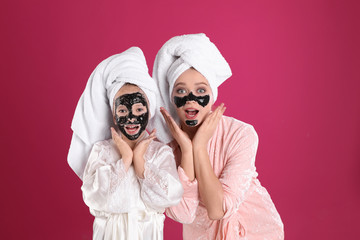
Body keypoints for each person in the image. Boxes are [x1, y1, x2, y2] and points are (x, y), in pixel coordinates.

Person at [147, 34, 284, 239]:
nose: (191, 100)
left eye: (200, 90)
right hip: (201, 234)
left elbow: (218, 209)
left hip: (253, 231)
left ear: (212, 95)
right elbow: (183, 213)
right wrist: (186, 150)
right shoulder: (163, 147)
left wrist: (199, 147)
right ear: (171, 97)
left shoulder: (241, 134)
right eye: (181, 90)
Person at [68, 47, 183, 240]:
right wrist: (125, 160)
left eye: (139, 109)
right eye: (122, 110)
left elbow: (170, 197)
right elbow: (93, 197)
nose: (131, 118)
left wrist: (139, 162)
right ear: (113, 114)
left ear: (149, 109)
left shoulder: (160, 152)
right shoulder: (102, 151)